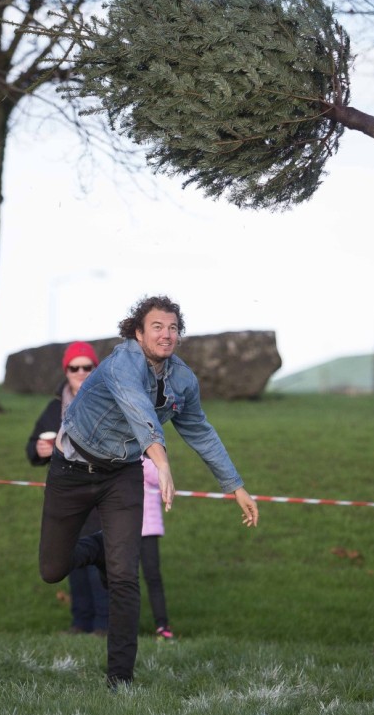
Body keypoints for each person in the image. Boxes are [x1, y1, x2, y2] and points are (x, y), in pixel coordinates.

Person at [39, 294, 259, 689]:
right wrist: (160, 459)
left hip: (121, 474)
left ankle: (120, 680)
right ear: (137, 332)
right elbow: (137, 407)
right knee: (52, 569)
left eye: (174, 327)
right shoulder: (123, 362)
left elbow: (201, 432)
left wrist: (236, 487)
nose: (167, 334)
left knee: (125, 576)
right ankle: (103, 550)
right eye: (157, 326)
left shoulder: (183, 381)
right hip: (70, 470)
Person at [26, 341, 109, 636]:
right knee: (69, 556)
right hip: (66, 495)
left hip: (100, 491)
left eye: (88, 367)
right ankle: (80, 622)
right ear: (67, 370)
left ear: (97, 369)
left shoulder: (107, 402)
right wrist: (39, 450)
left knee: (100, 557)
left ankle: (103, 624)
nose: (82, 372)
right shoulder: (53, 408)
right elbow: (32, 449)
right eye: (75, 367)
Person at [140, 456, 174, 640]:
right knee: (124, 579)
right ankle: (123, 624)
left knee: (153, 578)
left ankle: (162, 625)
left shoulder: (150, 459)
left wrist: (140, 461)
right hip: (123, 529)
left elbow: (158, 478)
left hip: (148, 530)